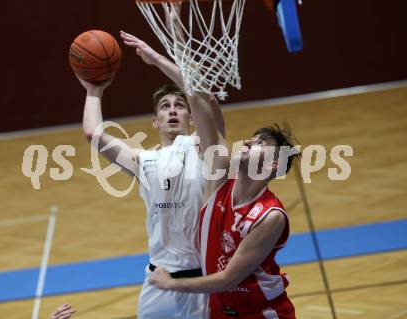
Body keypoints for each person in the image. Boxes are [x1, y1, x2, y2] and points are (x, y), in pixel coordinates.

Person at [144, 25, 300, 319]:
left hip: (262, 313)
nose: (250, 141)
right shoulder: (217, 181)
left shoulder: (270, 216)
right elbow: (200, 100)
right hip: (220, 311)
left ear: (273, 165)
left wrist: (171, 284)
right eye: (252, 138)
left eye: (261, 144)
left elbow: (229, 278)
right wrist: (174, 37)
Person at [77, 23, 226, 319]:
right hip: (158, 283)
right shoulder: (143, 161)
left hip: (204, 282)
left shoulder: (204, 148)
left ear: (192, 117)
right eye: (165, 106)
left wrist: (157, 59)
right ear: (155, 121)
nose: (172, 110)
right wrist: (94, 89)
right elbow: (93, 132)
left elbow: (204, 98)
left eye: (180, 106)